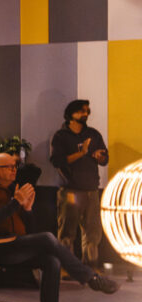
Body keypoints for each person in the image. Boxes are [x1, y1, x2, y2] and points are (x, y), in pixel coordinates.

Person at [0, 152, 118, 302]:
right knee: (48, 238)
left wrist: (27, 209)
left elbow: (30, 231)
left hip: (18, 246)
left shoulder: (15, 190)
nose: (13, 170)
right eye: (8, 167)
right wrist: (16, 202)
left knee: (52, 260)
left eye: (14, 166)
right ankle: (90, 277)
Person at [50, 99, 108, 268]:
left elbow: (105, 159)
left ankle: (90, 268)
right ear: (71, 114)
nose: (86, 114)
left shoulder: (93, 134)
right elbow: (57, 161)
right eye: (82, 110)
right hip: (70, 191)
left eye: (88, 111)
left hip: (92, 190)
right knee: (67, 233)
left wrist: (100, 156)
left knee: (93, 234)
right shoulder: (61, 136)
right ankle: (68, 268)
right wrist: (82, 153)